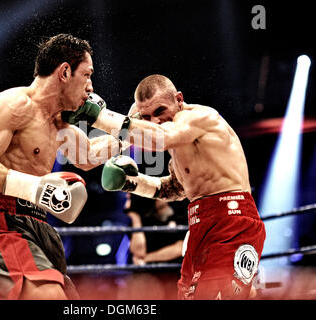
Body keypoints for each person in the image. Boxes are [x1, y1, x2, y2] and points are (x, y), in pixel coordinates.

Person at [62, 74, 266, 300]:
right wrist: (133, 182)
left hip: (232, 219)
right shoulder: (179, 147)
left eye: (160, 111)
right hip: (200, 224)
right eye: (146, 116)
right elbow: (174, 189)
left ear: (179, 99)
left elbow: (162, 137)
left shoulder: (199, 118)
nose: (154, 121)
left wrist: (100, 116)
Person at [0, 34, 123, 300]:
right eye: (87, 75)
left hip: (41, 225)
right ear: (64, 72)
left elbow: (88, 156)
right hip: (3, 221)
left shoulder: (59, 122)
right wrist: (33, 187)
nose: (91, 87)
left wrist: (126, 137)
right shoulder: (15, 104)